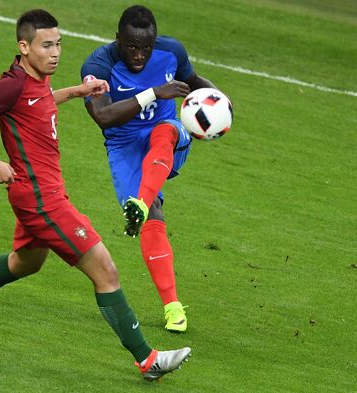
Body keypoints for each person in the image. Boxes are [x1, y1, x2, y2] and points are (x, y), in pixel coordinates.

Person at [0, 9, 191, 381]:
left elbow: (36, 103)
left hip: (41, 195)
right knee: (105, 270)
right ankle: (148, 359)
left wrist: (75, 91)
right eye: (46, 45)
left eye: (58, 44)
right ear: (23, 47)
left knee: (24, 263)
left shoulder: (36, 79)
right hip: (42, 201)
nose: (55, 52)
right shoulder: (9, 85)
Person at [81, 5, 222, 333]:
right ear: (117, 39)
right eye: (131, 46)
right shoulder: (98, 65)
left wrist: (219, 102)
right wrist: (153, 93)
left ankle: (140, 202)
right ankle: (173, 309)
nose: (140, 55)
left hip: (167, 134)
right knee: (154, 218)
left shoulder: (172, 52)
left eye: (146, 47)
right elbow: (103, 116)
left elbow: (196, 82)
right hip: (124, 146)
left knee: (166, 131)